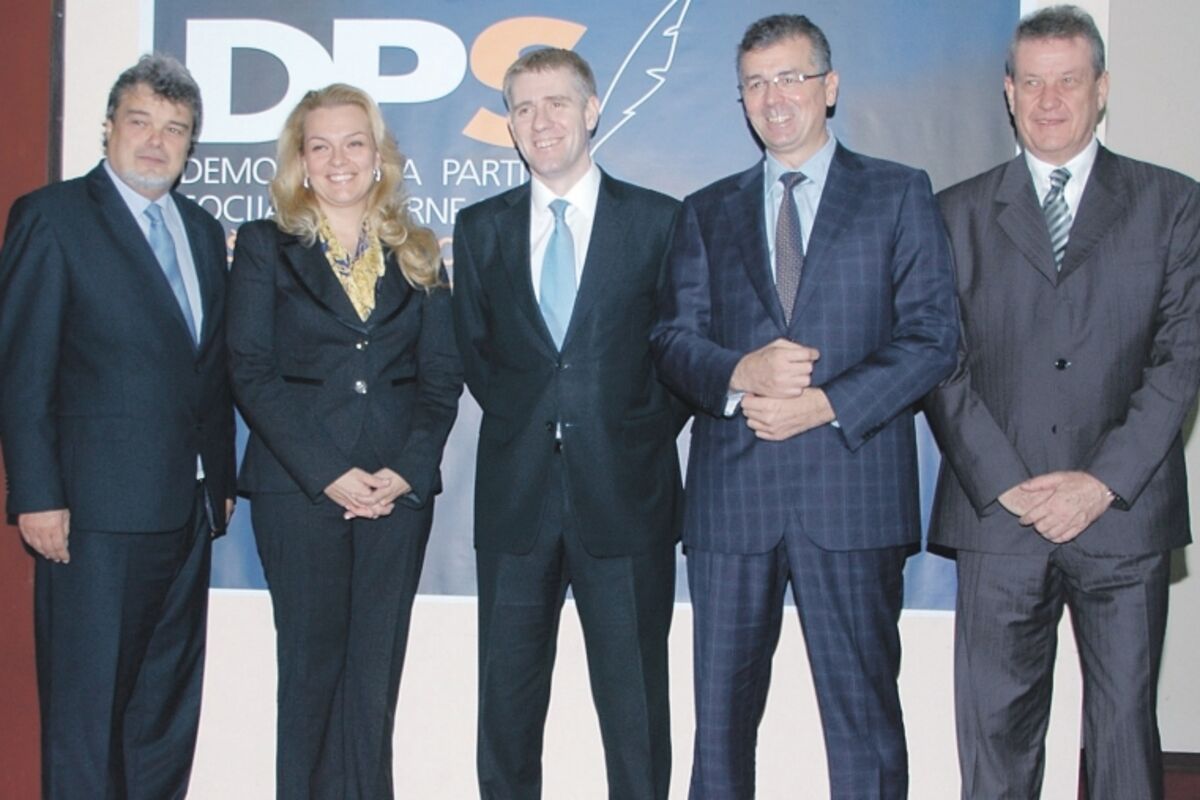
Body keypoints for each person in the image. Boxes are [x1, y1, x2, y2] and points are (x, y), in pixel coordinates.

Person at [652, 14, 959, 799]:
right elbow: (672, 341)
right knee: (719, 734)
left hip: (851, 499)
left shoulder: (898, 193)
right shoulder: (705, 210)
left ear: (830, 86)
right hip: (733, 509)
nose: (773, 98)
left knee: (865, 730)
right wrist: (741, 371)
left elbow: (934, 338)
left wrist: (824, 405)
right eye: (755, 84)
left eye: (790, 78)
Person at [923, 6, 1200, 799]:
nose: (1050, 101)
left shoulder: (1174, 205)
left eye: (1068, 81)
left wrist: (1099, 483)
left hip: (1123, 517)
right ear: (1008, 92)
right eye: (1033, 83)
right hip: (998, 520)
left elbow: (1181, 359)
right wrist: (1007, 482)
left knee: (1122, 738)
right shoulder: (954, 213)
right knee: (995, 743)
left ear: (1101, 89)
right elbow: (940, 362)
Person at [451, 48, 685, 800]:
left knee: (635, 713)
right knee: (506, 713)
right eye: (523, 107)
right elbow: (477, 355)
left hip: (627, 500)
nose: (540, 120)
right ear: (510, 125)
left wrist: (625, 433)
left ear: (591, 110)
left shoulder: (658, 222)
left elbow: (681, 355)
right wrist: (539, 421)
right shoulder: (479, 228)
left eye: (556, 102)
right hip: (516, 504)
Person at [0, 54, 235, 799]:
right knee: (87, 714)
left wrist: (220, 482)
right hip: (93, 518)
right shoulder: (52, 218)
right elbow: (22, 368)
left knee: (163, 714)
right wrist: (37, 494)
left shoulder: (202, 231)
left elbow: (206, 370)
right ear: (108, 127)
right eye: (141, 121)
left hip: (188, 512)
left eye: (176, 128)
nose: (157, 141)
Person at [227, 83, 462, 799]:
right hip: (298, 490)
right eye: (320, 145)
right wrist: (328, 472)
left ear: (379, 155)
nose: (339, 160)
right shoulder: (264, 246)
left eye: (354, 143)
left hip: (397, 494)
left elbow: (441, 380)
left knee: (374, 679)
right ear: (299, 161)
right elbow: (250, 370)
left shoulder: (418, 252)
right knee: (310, 676)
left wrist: (407, 470)